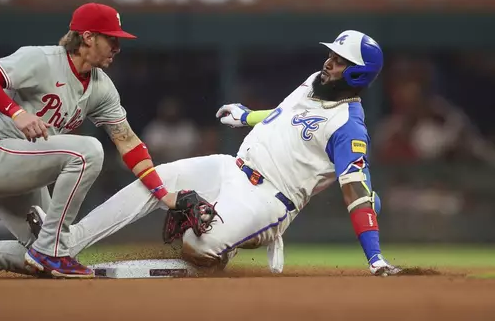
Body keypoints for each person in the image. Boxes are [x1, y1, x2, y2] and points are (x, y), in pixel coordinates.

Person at [24, 29, 402, 275]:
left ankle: (222, 249)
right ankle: (65, 243)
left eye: (340, 61)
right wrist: (247, 116)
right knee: (156, 180)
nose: (329, 62)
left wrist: (375, 258)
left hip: (269, 200)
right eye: (332, 54)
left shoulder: (349, 128)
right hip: (232, 168)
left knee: (197, 245)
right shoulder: (315, 83)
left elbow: (355, 190)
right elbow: (289, 115)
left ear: (356, 74)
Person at [0, 2, 205, 279]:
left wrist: (165, 196)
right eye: (111, 38)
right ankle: (49, 249)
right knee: (89, 151)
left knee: (59, 249)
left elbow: (128, 142)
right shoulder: (42, 60)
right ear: (87, 37)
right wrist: (16, 112)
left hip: (25, 174)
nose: (117, 46)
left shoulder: (101, 88)